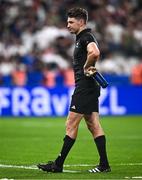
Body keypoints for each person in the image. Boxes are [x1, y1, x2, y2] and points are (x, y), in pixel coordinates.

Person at [37, 7, 111, 173]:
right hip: (89, 87)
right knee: (93, 124)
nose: (68, 25)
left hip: (85, 87)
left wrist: (87, 66)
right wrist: (88, 65)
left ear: (81, 22)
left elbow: (95, 52)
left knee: (71, 123)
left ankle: (58, 164)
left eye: (71, 22)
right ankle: (104, 164)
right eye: (67, 21)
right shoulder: (82, 38)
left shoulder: (86, 37)